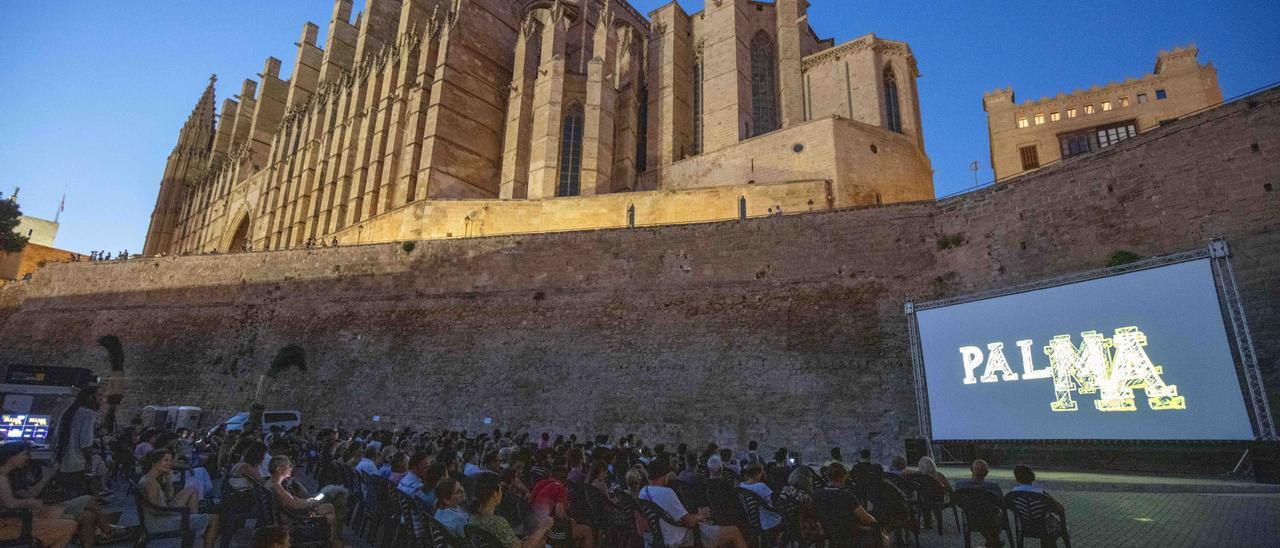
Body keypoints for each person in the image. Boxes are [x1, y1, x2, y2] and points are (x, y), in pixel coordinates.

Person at [638, 459, 748, 548]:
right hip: (682, 538)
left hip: (662, 537)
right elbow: (689, 522)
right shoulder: (667, 493)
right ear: (664, 475)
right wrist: (701, 515)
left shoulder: (643, 492)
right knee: (734, 531)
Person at [0, 442, 79, 548]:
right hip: (9, 525)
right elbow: (11, 504)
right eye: (25, 454)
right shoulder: (2, 478)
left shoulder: (6, 475)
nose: (28, 458)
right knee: (71, 525)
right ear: (12, 456)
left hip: (14, 519)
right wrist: (30, 502)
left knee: (67, 518)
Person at [138, 449, 220, 548]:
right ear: (155, 462)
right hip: (159, 523)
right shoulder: (150, 483)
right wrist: (182, 512)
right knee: (214, 519)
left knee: (192, 489)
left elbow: (169, 499)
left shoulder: (150, 478)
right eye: (166, 460)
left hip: (161, 517)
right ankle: (197, 526)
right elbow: (158, 512)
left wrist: (169, 480)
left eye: (170, 460)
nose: (169, 463)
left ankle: (196, 523)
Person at [267, 456, 340, 547]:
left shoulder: (273, 484)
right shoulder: (277, 487)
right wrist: (311, 502)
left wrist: (307, 500)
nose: (291, 468)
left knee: (329, 512)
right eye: (289, 465)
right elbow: (295, 505)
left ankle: (333, 541)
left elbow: (292, 500)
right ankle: (332, 542)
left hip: (293, 515)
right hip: (298, 518)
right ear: (279, 469)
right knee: (329, 510)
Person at [469, 472, 553, 548]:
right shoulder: (497, 523)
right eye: (501, 489)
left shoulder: (472, 518)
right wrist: (544, 527)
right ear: (495, 494)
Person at [813, 463, 883, 548]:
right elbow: (866, 519)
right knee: (877, 532)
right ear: (842, 477)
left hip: (828, 535)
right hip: (848, 537)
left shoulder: (817, 494)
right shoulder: (846, 496)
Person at [53, 385, 103, 497]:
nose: (101, 399)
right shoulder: (88, 414)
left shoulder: (69, 411)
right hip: (76, 465)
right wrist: (89, 462)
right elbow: (85, 444)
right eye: (99, 395)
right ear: (91, 397)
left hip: (62, 462)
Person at [530, 466, 594, 548]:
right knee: (586, 531)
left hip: (533, 527)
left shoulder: (541, 483)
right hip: (547, 530)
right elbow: (559, 513)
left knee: (574, 529)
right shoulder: (560, 487)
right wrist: (569, 519)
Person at [952, 460, 1005, 548]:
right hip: (991, 520)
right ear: (987, 473)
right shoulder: (993, 487)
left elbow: (958, 502)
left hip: (971, 519)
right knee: (990, 516)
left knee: (980, 514)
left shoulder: (960, 485)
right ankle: (994, 542)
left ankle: (992, 541)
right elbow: (1002, 504)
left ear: (971, 470)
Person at [775, 465, 822, 541]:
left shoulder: (784, 490)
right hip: (801, 529)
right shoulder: (804, 497)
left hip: (787, 525)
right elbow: (813, 513)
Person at [737, 463, 781, 538]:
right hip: (764, 519)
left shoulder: (741, 485)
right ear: (757, 473)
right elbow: (773, 502)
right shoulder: (761, 486)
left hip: (749, 518)